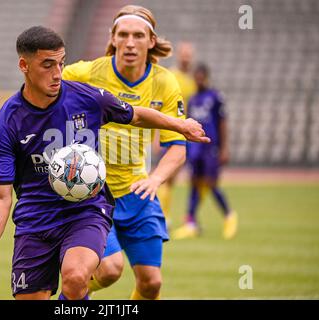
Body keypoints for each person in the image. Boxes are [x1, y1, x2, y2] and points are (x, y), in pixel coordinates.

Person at [0, 26, 209, 300]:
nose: (57, 73)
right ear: (24, 65)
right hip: (34, 220)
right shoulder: (7, 122)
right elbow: (0, 196)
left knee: (76, 276)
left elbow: (136, 115)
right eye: (47, 65)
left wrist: (180, 125)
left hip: (85, 212)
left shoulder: (87, 97)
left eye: (60, 63)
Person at [62, 5, 188, 300]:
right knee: (108, 270)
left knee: (151, 284)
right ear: (113, 38)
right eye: (123, 35)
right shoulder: (85, 73)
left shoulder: (165, 83)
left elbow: (177, 148)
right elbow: (46, 90)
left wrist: (155, 179)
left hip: (137, 193)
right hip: (93, 193)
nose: (130, 42)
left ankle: (75, 291)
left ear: (151, 41)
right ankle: (72, 295)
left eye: (138, 35)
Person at [172, 63, 237, 240]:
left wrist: (224, 148)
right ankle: (191, 223)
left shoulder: (216, 97)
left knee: (211, 183)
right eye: (196, 77)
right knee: (193, 183)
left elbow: (223, 123)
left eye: (202, 77)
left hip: (211, 148)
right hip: (196, 149)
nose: (199, 80)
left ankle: (229, 216)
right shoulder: (192, 100)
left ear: (207, 77)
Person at [156, 42, 198, 227]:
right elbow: (161, 105)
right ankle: (162, 215)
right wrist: (158, 135)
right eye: (184, 54)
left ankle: (169, 215)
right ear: (178, 55)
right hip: (171, 132)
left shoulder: (193, 80)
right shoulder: (170, 76)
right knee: (166, 176)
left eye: (189, 55)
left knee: (176, 179)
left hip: (188, 133)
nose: (186, 58)